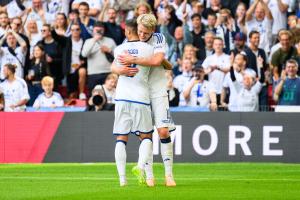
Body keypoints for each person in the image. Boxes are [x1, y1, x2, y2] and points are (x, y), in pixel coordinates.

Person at [118, 13, 176, 187]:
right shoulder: (130, 41)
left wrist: (135, 59)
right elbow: (118, 64)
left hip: (158, 89)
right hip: (140, 92)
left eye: (146, 33)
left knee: (163, 131)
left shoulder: (158, 38)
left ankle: (169, 175)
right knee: (146, 134)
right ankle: (149, 175)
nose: (142, 35)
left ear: (153, 30)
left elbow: (158, 59)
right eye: (140, 31)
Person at [111, 19, 154, 187]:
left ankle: (122, 180)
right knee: (146, 137)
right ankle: (140, 166)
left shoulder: (119, 49)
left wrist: (118, 70)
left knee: (121, 138)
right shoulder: (149, 49)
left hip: (121, 97)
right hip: (140, 98)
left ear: (127, 32)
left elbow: (114, 67)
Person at [51, 23, 87, 100]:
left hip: (80, 67)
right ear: (70, 31)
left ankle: (81, 93)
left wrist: (84, 61)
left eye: (77, 29)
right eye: (73, 30)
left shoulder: (84, 41)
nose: (75, 31)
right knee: (71, 94)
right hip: (69, 69)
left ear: (80, 31)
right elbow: (56, 37)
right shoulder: (66, 41)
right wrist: (52, 29)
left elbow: (87, 54)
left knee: (82, 71)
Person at [81, 21, 116, 93]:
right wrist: (94, 40)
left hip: (108, 72)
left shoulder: (110, 41)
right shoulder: (88, 41)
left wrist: (109, 50)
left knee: (109, 95)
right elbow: (84, 54)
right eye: (97, 30)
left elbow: (117, 56)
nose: (99, 32)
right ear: (93, 30)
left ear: (104, 30)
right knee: (94, 96)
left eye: (101, 30)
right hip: (93, 73)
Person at [202, 37, 231, 105]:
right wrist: (209, 70)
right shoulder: (209, 58)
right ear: (213, 46)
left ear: (223, 45)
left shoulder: (227, 57)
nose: (218, 46)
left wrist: (217, 68)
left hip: (224, 90)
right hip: (212, 91)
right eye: (216, 44)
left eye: (220, 44)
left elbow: (229, 70)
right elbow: (202, 71)